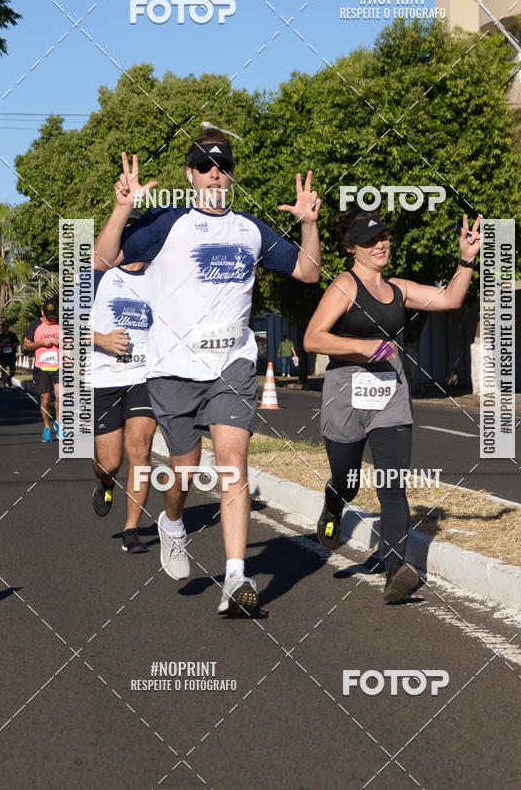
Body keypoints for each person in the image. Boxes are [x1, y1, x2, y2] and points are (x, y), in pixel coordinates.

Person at [94, 127, 321, 614]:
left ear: (231, 174)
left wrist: (307, 223)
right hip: (173, 368)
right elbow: (104, 257)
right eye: (205, 167)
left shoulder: (250, 229)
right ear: (190, 175)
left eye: (223, 167)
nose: (215, 173)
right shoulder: (167, 224)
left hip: (233, 363)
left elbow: (307, 271)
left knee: (232, 466)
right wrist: (122, 208)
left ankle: (236, 580)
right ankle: (171, 524)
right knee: (184, 472)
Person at [304, 209, 481, 604]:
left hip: (390, 393)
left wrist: (466, 259)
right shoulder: (344, 288)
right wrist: (361, 346)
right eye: (369, 240)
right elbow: (312, 339)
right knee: (347, 481)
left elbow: (451, 298)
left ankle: (395, 569)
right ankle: (334, 506)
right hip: (346, 392)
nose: (380, 244)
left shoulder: (398, 289)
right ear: (351, 248)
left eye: (383, 236)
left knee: (391, 485)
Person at [91, 208, 157, 554]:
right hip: (104, 377)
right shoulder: (99, 276)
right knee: (110, 462)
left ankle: (132, 528)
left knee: (140, 450)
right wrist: (102, 340)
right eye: (124, 229)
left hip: (144, 377)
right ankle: (104, 482)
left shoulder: (160, 276)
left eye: (137, 230)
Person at [23, 299, 61, 440]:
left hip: (60, 366)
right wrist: (40, 343)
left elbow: (73, 342)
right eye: (48, 315)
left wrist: (61, 343)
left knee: (60, 396)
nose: (51, 318)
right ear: (42, 311)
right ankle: (46, 427)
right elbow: (26, 345)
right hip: (42, 368)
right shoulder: (35, 325)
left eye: (54, 315)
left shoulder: (61, 324)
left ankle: (59, 423)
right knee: (45, 400)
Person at [0, 322, 20, 390]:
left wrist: (11, 345)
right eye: (2, 327)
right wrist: (0, 344)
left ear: (7, 328)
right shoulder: (0, 336)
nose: (3, 328)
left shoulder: (12, 335)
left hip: (11, 356)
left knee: (13, 371)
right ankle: (4, 385)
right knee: (3, 370)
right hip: (3, 356)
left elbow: (18, 343)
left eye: (4, 327)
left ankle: (9, 378)